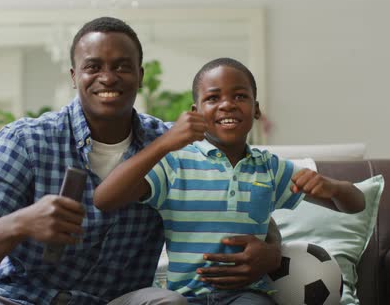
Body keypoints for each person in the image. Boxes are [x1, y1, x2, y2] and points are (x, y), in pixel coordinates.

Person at [0, 18, 287, 305]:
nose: (108, 77)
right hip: (16, 295)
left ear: (140, 76)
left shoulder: (174, 145)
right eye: (93, 67)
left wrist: (272, 254)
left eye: (123, 67)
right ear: (74, 76)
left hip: (120, 299)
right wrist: (21, 222)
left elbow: (248, 208)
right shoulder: (25, 140)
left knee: (169, 302)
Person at [93, 57, 365, 304]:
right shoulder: (176, 163)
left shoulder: (270, 168)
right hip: (184, 296)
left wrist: (333, 188)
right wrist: (165, 143)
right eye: (213, 98)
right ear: (195, 111)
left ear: (256, 109)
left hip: (245, 296)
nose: (227, 104)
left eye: (240, 96)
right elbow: (104, 198)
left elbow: (354, 204)